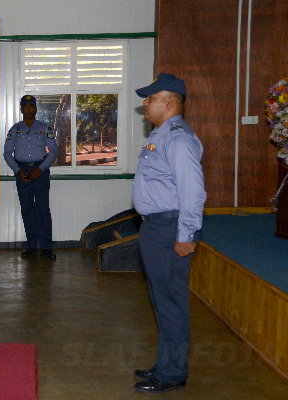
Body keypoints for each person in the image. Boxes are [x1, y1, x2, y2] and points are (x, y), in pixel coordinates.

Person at [132, 73, 206, 393]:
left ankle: (172, 373)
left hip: (170, 228)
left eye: (151, 98)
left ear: (170, 102)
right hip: (156, 227)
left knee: (171, 303)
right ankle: (165, 364)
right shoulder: (162, 135)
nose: (146, 103)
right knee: (162, 302)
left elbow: (193, 192)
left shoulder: (178, 139)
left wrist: (185, 235)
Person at [4, 95, 57, 259]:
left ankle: (47, 247)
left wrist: (41, 169)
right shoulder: (14, 129)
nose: (28, 109)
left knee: (43, 209)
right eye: (25, 106)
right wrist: (18, 170)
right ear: (21, 109)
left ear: (36, 109)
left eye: (31, 106)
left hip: (40, 172)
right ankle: (32, 246)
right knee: (27, 209)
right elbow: (7, 153)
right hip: (22, 172)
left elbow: (53, 151)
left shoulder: (44, 128)